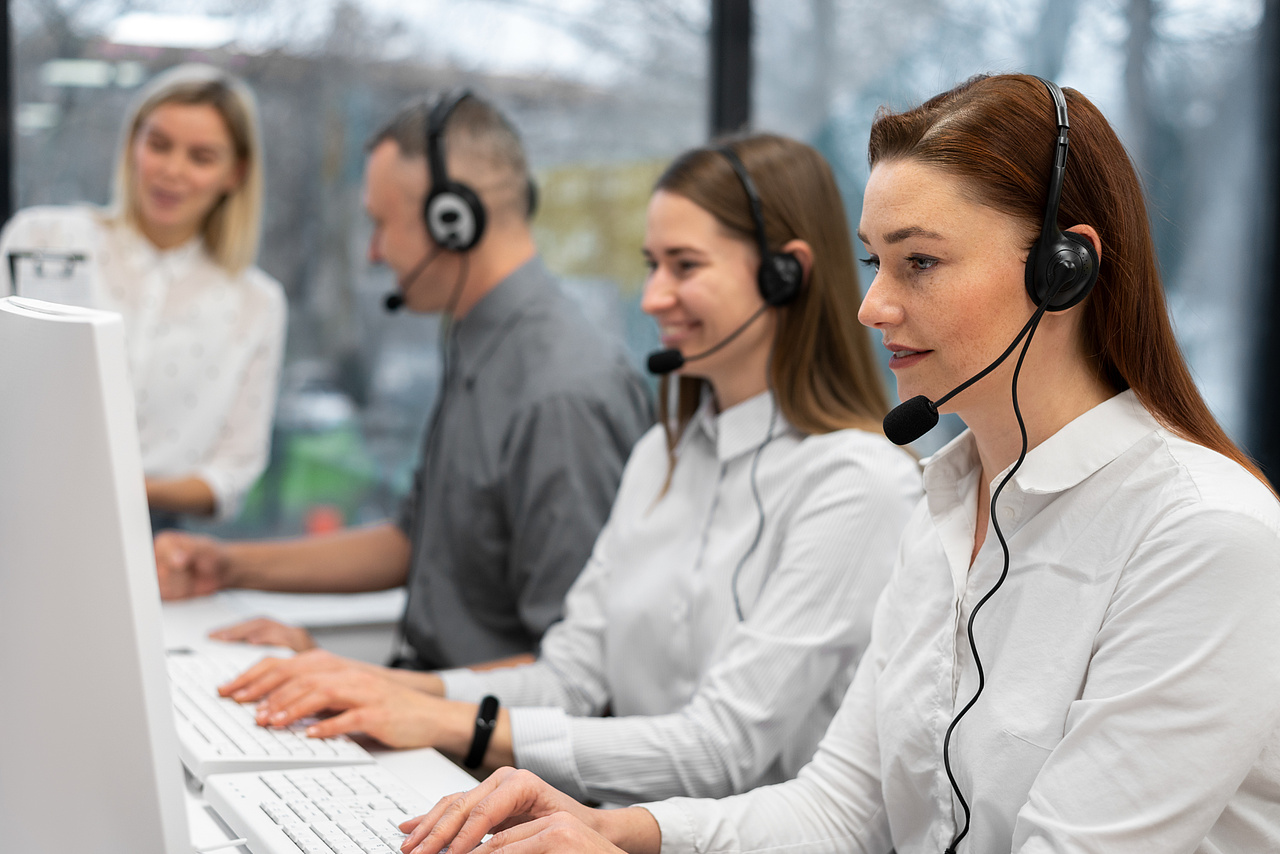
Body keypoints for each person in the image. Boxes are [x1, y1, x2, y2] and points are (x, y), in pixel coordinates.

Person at [392, 74, 1280, 854]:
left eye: (919, 262)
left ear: (1063, 270)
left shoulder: (1202, 535)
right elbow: (838, 810)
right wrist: (623, 831)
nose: (871, 306)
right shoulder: (948, 504)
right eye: (875, 263)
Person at [218, 133, 921, 806]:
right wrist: (375, 687)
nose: (652, 297)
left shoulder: (856, 483)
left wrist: (445, 722)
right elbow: (569, 679)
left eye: (684, 266)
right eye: (651, 265)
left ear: (785, 276)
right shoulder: (662, 457)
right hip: (604, 827)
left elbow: (719, 750)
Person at [154, 91, 653, 670]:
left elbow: (576, 675)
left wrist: (359, 683)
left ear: (453, 222)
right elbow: (412, 543)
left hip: (480, 728)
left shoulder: (560, 392)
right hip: (430, 699)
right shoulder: (480, 343)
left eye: (381, 224)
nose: (373, 252)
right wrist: (227, 565)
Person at [0, 64, 285, 523]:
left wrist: (123, 491)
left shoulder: (257, 303)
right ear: (133, 144)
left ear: (235, 173)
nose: (172, 171)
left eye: (201, 157)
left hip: (152, 527)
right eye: (159, 145)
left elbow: (234, 470)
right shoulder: (42, 238)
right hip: (15, 501)